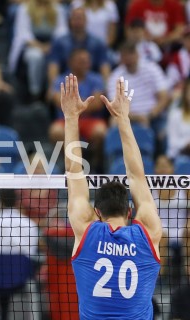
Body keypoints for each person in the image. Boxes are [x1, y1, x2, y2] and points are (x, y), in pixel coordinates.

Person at [63, 73, 162, 318]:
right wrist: (123, 119)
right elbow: (137, 176)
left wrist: (71, 116)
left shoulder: (86, 229)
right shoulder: (147, 232)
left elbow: (74, 172)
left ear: (97, 212)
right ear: (130, 211)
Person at [0, 189, 40, 320]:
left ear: (0, 201)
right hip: (20, 274)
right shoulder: (29, 224)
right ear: (17, 201)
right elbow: (31, 252)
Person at [49, 48, 106, 173]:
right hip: (66, 120)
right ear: (71, 62)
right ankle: (68, 164)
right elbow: (56, 99)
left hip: (90, 120)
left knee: (100, 131)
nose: (84, 64)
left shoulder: (96, 79)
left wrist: (73, 107)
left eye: (86, 61)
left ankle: (94, 163)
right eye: (80, 61)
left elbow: (97, 103)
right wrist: (82, 106)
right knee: (56, 131)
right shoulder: (60, 79)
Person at [8, 0, 68, 99]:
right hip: (32, 45)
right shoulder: (25, 8)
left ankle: (56, 89)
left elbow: (62, 31)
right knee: (35, 57)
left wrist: (51, 45)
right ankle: (35, 91)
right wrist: (40, 46)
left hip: (52, 44)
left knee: (56, 57)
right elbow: (23, 33)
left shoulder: (57, 8)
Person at [47, 7, 110, 97]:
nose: (77, 22)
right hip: (67, 78)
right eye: (75, 18)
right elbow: (53, 65)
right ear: (70, 21)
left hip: (91, 81)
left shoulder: (97, 42)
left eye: (80, 18)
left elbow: (104, 65)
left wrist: (106, 86)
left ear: (86, 20)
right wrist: (53, 86)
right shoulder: (60, 42)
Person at [107, 41, 168, 131]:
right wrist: (137, 118)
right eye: (125, 55)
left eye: (131, 53)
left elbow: (163, 97)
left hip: (153, 116)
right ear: (121, 58)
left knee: (164, 130)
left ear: (138, 54)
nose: (129, 58)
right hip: (127, 117)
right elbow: (115, 107)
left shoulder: (152, 69)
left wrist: (150, 115)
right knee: (113, 122)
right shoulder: (115, 77)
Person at [166, 78, 190, 160]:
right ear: (185, 94)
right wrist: (186, 143)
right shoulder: (175, 115)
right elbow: (172, 143)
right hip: (180, 156)